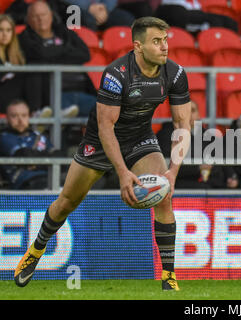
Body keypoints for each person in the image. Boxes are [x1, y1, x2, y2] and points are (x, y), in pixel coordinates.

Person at [14, 17, 191, 291]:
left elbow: (183, 124)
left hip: (140, 138)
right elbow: (106, 127)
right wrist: (123, 173)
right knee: (67, 202)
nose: (164, 46)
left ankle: (169, 277)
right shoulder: (116, 74)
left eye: (165, 40)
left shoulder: (175, 73)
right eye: (156, 41)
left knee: (164, 195)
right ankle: (36, 251)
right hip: (98, 141)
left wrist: (173, 172)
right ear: (138, 46)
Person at [19, 0, 97, 119]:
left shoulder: (65, 33)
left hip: (82, 90)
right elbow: (40, 56)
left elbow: (85, 54)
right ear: (28, 19)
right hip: (53, 96)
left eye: (44, 14)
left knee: (111, 113)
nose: (41, 19)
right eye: (35, 16)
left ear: (51, 15)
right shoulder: (24, 38)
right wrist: (65, 50)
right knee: (60, 126)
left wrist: (52, 55)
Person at [156, 100, 226, 189]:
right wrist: (197, 168)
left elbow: (219, 165)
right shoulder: (165, 135)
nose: (189, 114)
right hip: (177, 187)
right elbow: (165, 165)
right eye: (184, 111)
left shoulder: (209, 137)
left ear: (198, 115)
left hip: (208, 186)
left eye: (192, 111)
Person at [0, 99, 62, 190]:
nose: (20, 120)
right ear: (7, 118)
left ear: (29, 116)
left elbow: (59, 156)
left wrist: (35, 163)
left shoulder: (38, 136)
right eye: (14, 116)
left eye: (24, 115)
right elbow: (24, 154)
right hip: (25, 183)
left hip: (49, 179)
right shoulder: (4, 137)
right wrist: (47, 161)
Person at [0, 14, 46, 116]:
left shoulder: (17, 53)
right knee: (30, 72)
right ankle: (35, 113)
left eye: (8, 30)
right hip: (2, 97)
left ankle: (41, 111)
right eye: (1, 30)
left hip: (17, 96)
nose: (4, 34)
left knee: (36, 71)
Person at [155, 0, 238, 34]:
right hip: (181, 27)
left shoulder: (195, 2)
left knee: (228, 22)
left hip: (197, 23)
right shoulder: (169, 4)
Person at [65, 0, 135, 31]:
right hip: (74, 8)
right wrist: (88, 7)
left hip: (101, 7)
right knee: (88, 20)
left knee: (126, 19)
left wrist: (105, 8)